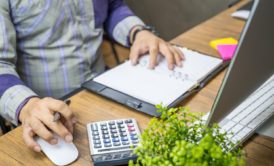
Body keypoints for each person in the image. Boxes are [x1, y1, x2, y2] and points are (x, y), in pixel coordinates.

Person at [0, 0, 184, 152]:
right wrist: (27, 106)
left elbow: (112, 7)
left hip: (107, 93)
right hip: (50, 119)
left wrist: (137, 32)